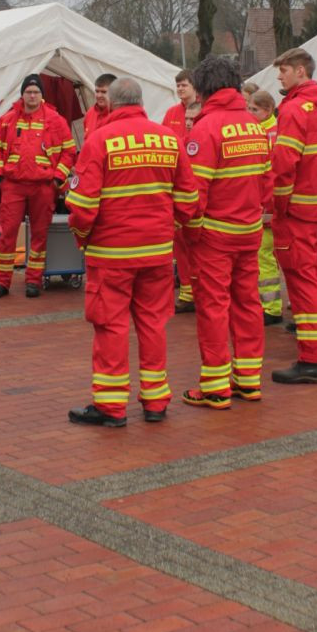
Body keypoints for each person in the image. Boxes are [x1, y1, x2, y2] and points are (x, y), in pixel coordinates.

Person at [65, 77, 199, 427]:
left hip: (112, 254)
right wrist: (170, 229)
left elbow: (81, 207)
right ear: (141, 102)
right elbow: (188, 200)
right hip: (156, 253)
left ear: (112, 105)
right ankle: (156, 403)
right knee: (154, 325)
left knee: (111, 327)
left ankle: (111, 408)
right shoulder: (169, 139)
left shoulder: (100, 140)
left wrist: (83, 239)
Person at [182, 55, 271, 408]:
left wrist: (190, 232)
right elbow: (267, 181)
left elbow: (194, 192)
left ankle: (215, 386)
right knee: (248, 304)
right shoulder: (254, 126)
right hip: (249, 231)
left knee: (214, 308)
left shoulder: (205, 128)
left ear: (204, 89)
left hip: (214, 236)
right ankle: (248, 381)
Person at [270, 49, 317, 384]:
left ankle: (312, 359)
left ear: (300, 71)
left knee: (302, 282)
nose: (279, 78)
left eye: (283, 71)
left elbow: (284, 165)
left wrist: (278, 207)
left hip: (298, 209)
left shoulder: (295, 109)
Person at [0, 74, 76, 298]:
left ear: (42, 96)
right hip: (13, 185)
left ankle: (33, 281)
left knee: (39, 235)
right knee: (7, 234)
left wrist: (57, 178)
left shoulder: (55, 120)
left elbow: (69, 152)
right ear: (22, 94)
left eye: (36, 92)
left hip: (43, 186)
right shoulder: (7, 119)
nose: (32, 95)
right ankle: (1, 282)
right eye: (29, 92)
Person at [162, 69, 199, 314]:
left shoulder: (203, 112)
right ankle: (186, 291)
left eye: (184, 85)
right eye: (177, 86)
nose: (180, 90)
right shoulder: (172, 113)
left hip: (198, 186)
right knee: (180, 244)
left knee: (198, 244)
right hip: (176, 187)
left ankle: (199, 290)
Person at [246, 89, 283, 326]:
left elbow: (270, 175)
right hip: (268, 204)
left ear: (267, 110)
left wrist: (265, 209)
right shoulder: (267, 130)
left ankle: (271, 307)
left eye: (254, 110)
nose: (250, 113)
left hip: (268, 206)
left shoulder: (270, 134)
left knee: (265, 257)